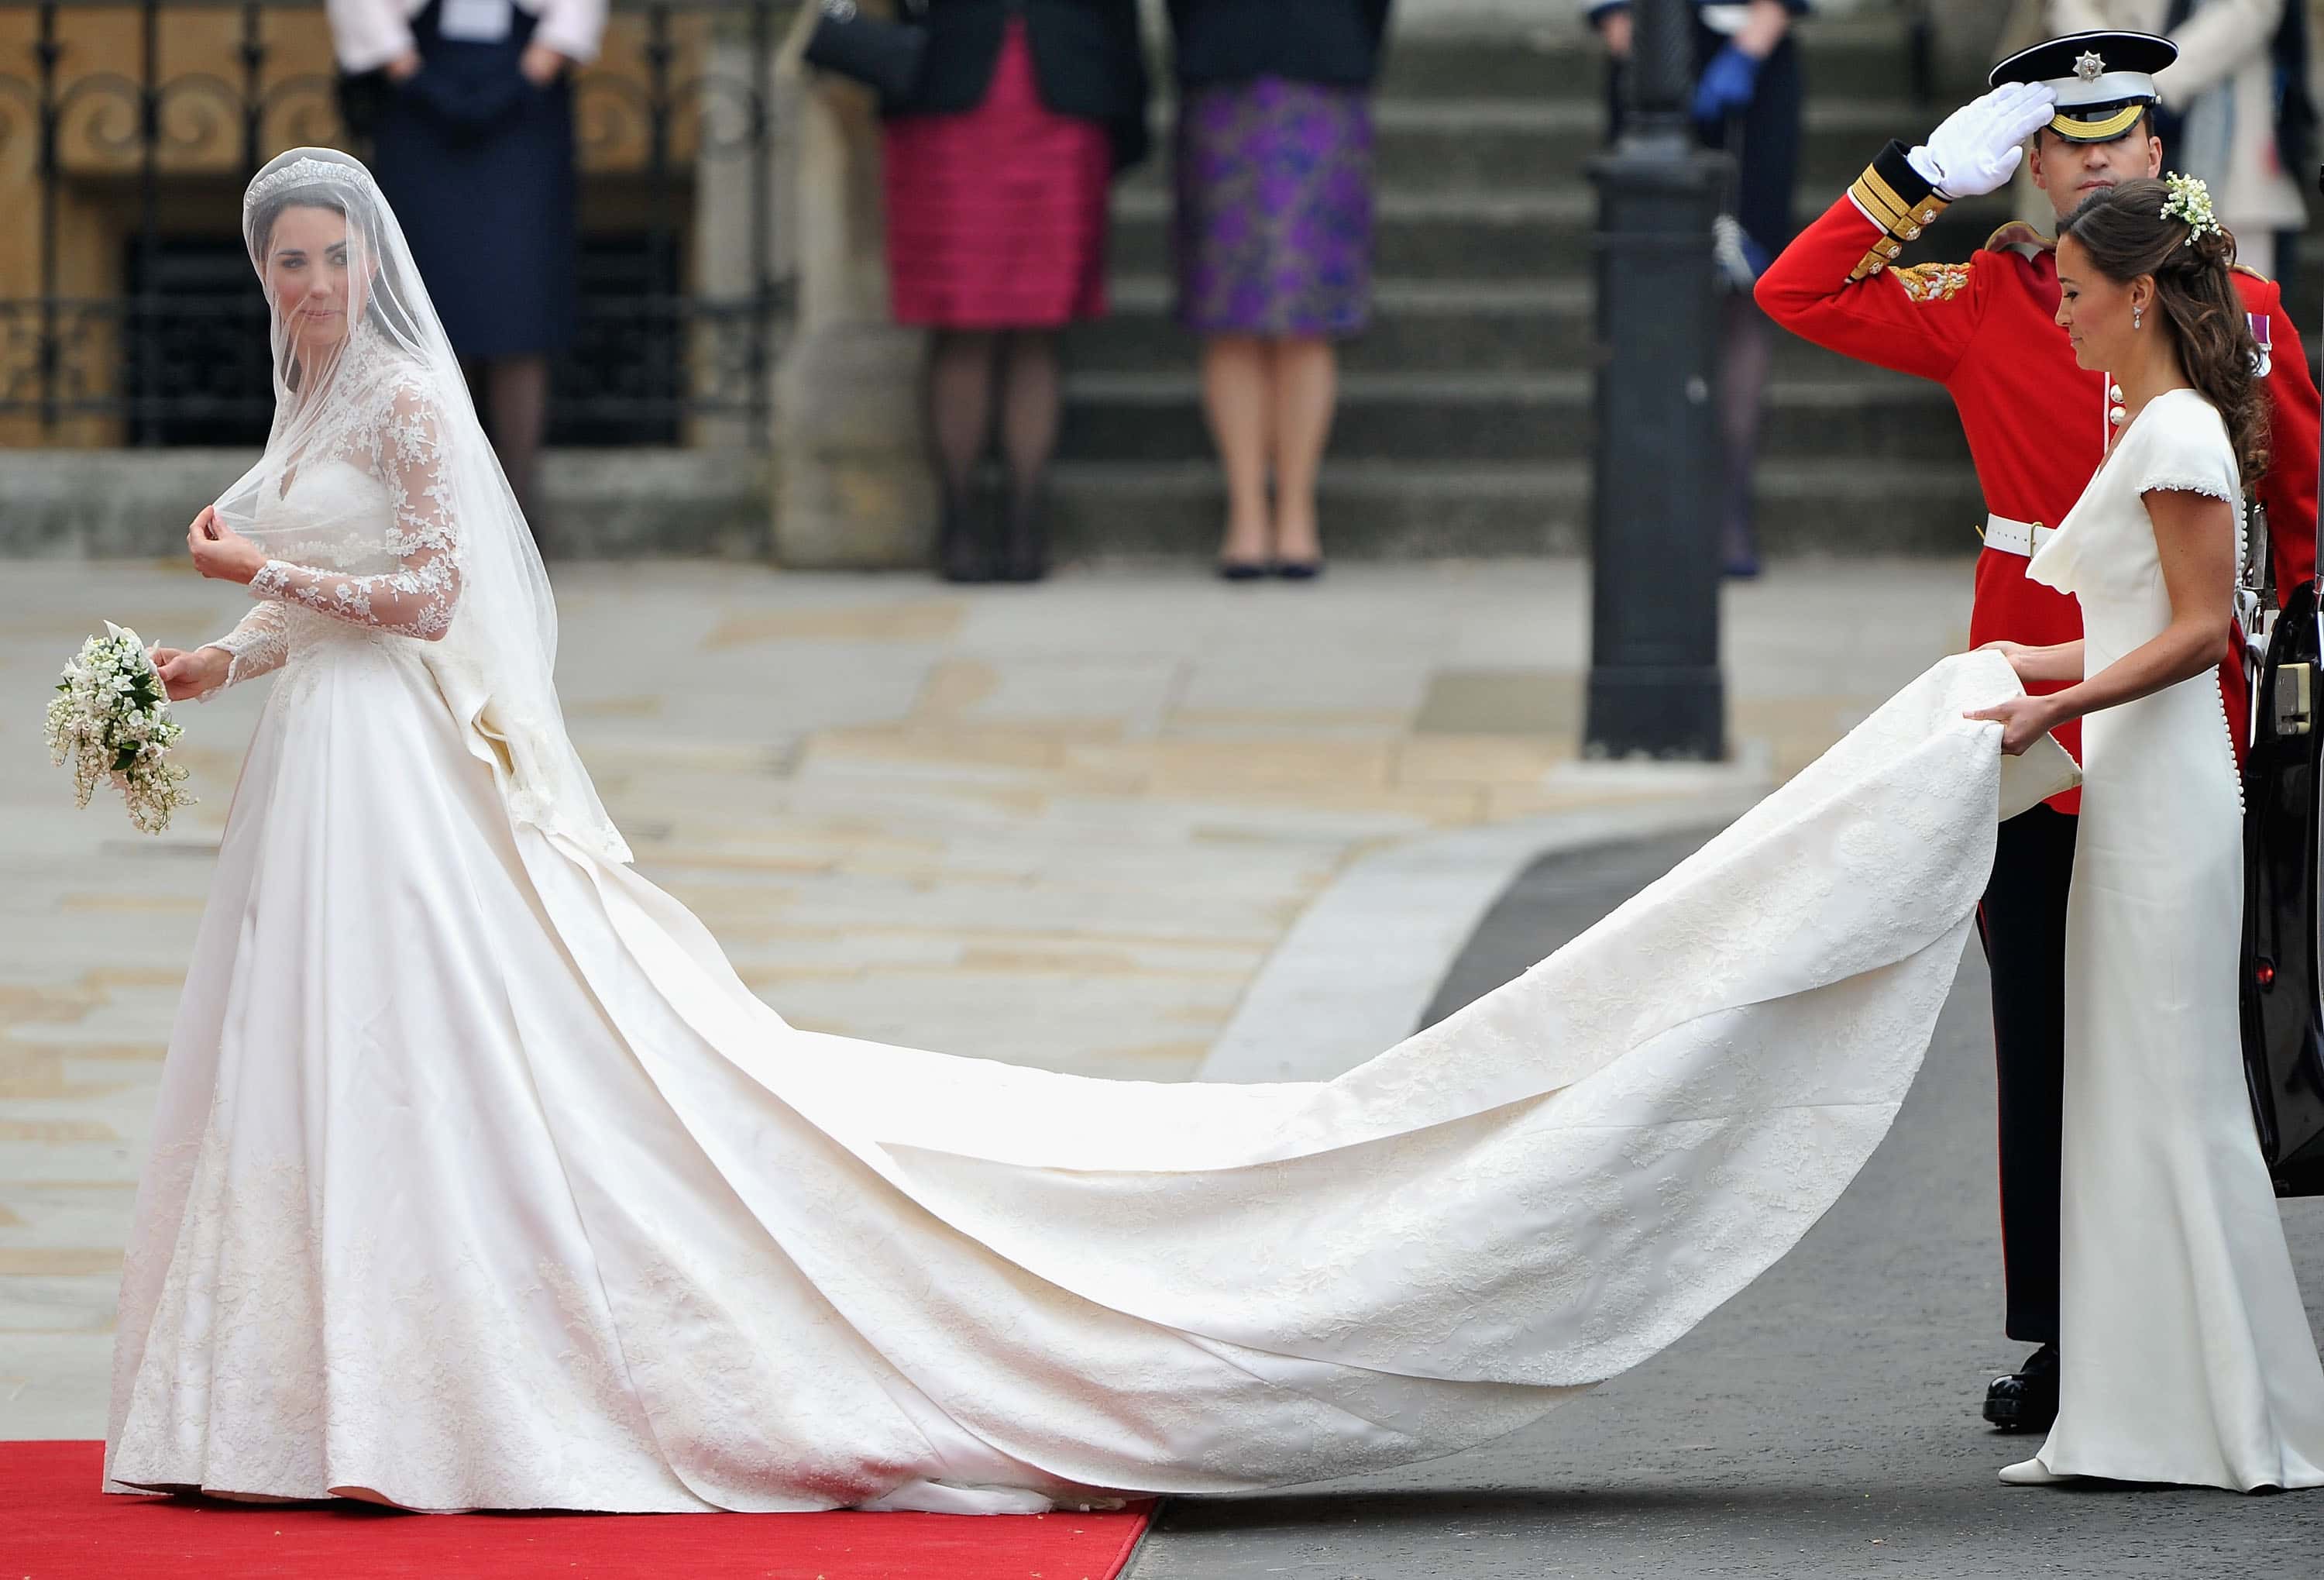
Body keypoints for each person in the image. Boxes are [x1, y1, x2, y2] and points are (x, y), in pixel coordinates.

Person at [105, 150, 2095, 1516]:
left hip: (412, 789)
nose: (307, 283)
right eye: (282, 261)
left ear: (370, 265)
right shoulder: (307, 408)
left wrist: (269, 579)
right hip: (329, 784)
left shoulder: (401, 406)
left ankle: (412, 1372)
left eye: (325, 257)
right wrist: (212, 653)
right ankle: (295, 1375)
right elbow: (317, 586)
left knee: (436, 1062)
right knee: (323, 1072)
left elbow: (437, 596)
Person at [1753, 29, 2321, 1437]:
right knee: (2042, 1026)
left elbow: (2296, 520)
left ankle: (2190, 1307)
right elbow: (1799, 288)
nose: (2090, 164)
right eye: (2060, 143)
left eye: (2116, 139)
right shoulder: (1991, 297)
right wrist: (1917, 179)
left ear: (2157, 152)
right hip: (2034, 695)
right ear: (2028, 158)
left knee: (2191, 1021)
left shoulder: (2248, 315)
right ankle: (2070, 1326)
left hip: (2190, 698)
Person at [1965, 175, 2324, 1489]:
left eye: (2068, 295)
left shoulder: (2174, 431)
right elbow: (2140, 621)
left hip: (2169, 797)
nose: (2055, 316)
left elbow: (2192, 635)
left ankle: (2222, 1412)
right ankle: (2149, 1405)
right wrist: (2029, 654)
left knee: (2173, 1097)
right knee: (2135, 1097)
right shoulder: (2164, 417)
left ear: (2135, 296)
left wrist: (2056, 694)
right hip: (2142, 789)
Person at [879, 0, 1150, 584]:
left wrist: (1127, 108)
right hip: (949, 90)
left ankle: (1027, 522)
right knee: (963, 317)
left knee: (1039, 320)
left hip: (1063, 91)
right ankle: (957, 523)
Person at [327, 0, 605, 540]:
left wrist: (532, 72)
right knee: (421, 315)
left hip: (525, 110)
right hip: (417, 103)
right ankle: (428, 517)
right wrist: (405, 70)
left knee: (519, 308)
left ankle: (518, 522)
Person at [1166, 0, 1394, 580]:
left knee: (1308, 314)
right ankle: (1246, 512)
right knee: (1229, 314)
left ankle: (1297, 510)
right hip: (1224, 75)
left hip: (1324, 73)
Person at [1589, 0, 1809, 578]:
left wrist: (1754, 42)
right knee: (1649, 287)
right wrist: (1634, 49)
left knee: (1744, 298)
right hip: (1647, 66)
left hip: (1754, 68)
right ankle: (1654, 511)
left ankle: (1727, 511)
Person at [2026, 2, 2309, 281]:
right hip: (2103, 106)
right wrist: (2112, 74)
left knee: (2236, 297)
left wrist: (2150, 80)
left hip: (2231, 137)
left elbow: (2248, 11)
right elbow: (2069, 7)